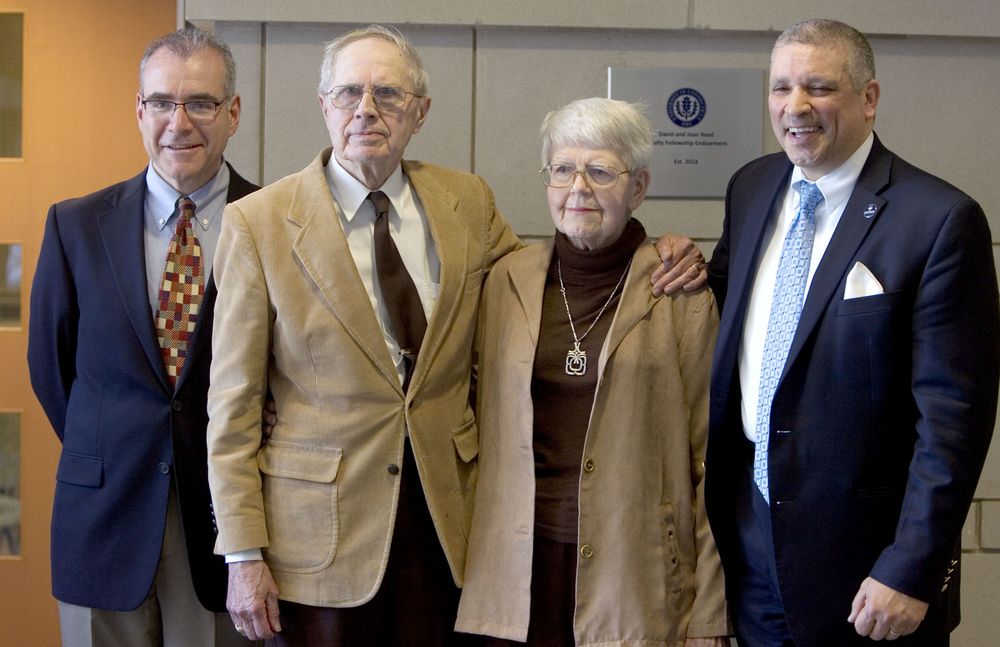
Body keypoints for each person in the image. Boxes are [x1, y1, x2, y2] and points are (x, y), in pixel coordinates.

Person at [206, 25, 705, 646]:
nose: (366, 110)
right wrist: (242, 554)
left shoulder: (464, 203)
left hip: (451, 527)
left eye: (388, 95)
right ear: (324, 105)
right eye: (348, 93)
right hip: (319, 540)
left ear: (420, 112)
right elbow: (231, 406)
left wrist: (666, 250)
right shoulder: (257, 225)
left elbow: (551, 278)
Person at [704, 18, 999, 647]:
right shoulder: (751, 188)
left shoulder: (939, 220)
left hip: (868, 571)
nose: (796, 107)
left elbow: (954, 421)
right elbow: (731, 320)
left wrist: (911, 569)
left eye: (819, 87)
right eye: (781, 88)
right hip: (752, 543)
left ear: (869, 98)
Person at [454, 97, 729, 647]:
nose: (578, 187)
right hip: (514, 572)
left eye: (601, 171)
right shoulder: (505, 281)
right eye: (562, 169)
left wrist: (709, 616)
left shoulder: (679, 291)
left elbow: (713, 459)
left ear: (639, 186)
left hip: (636, 575)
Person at [27, 27, 258, 647]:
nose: (178, 122)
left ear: (232, 112)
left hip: (225, 530)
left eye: (201, 103)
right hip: (101, 519)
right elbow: (53, 372)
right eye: (161, 102)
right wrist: (113, 442)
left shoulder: (276, 223)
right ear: (140, 110)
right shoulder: (75, 226)